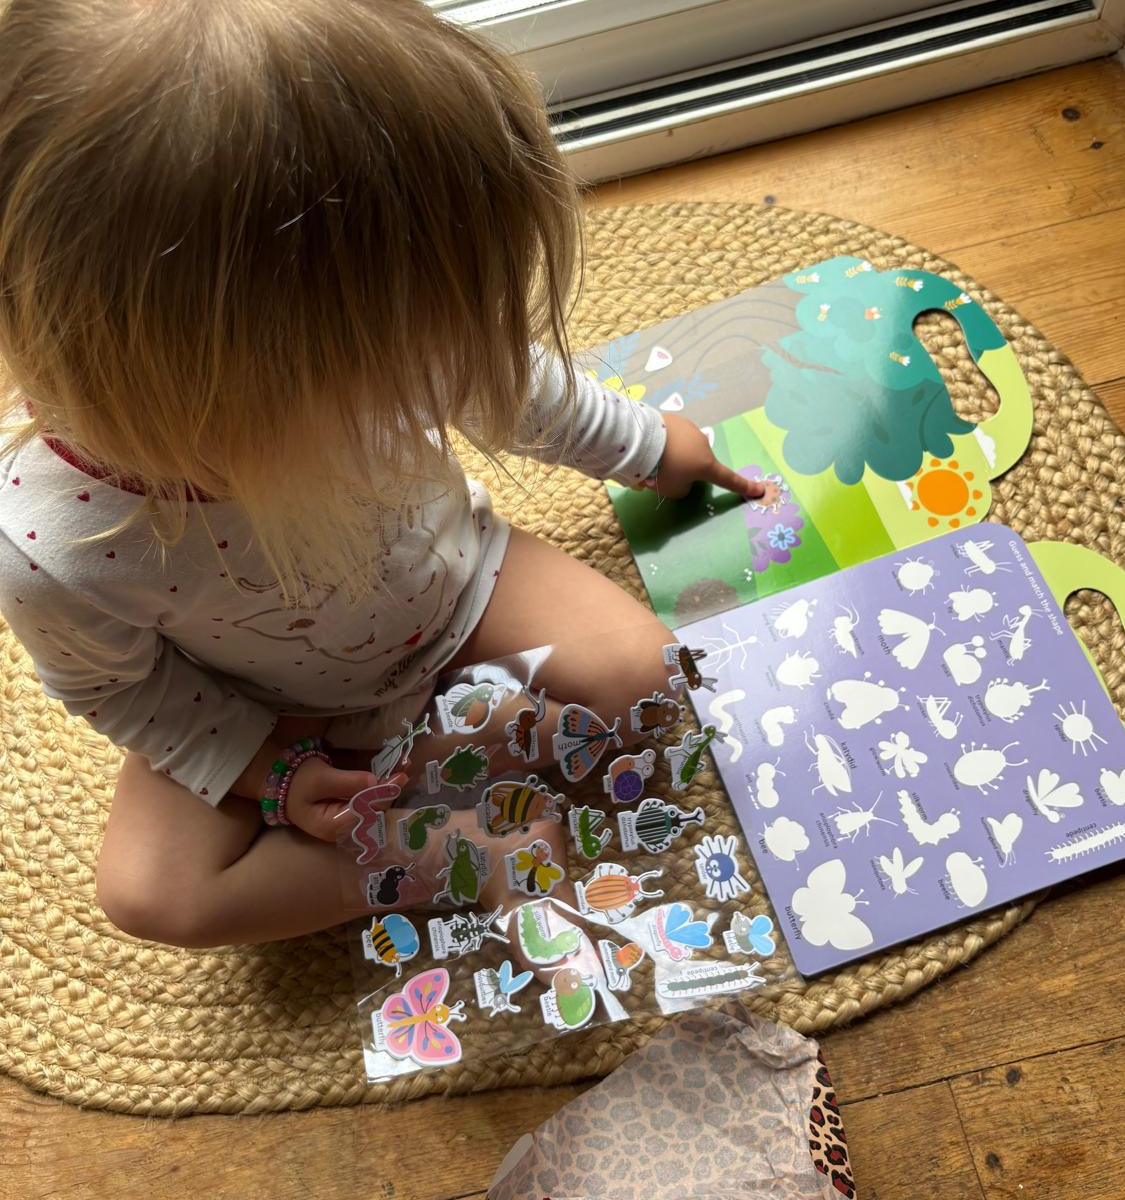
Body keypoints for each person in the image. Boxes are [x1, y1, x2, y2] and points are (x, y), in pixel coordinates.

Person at [0, 0, 760, 947]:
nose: (437, 351)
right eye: (414, 341)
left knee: (651, 682)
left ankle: (442, 755)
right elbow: (122, 690)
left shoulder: (377, 336)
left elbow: (505, 381)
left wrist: (646, 445)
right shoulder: (50, 548)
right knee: (155, 897)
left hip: (456, 593)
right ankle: (446, 841)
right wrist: (266, 769)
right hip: (263, 701)